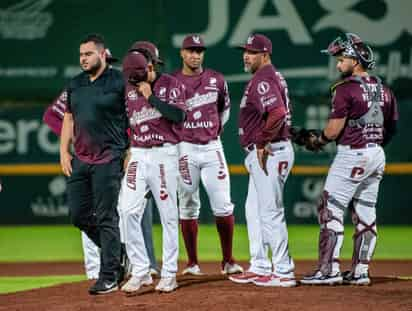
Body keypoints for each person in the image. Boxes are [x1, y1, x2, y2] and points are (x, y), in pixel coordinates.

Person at [44, 48, 159, 279]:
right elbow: (55, 116)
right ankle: (97, 269)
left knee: (120, 213)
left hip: (118, 156)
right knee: (92, 215)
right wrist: (74, 141)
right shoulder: (79, 86)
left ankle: (128, 263)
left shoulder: (120, 83)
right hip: (92, 157)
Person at [299, 33, 398, 286]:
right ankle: (360, 271)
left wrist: (317, 141)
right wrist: (372, 146)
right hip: (376, 153)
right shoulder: (385, 90)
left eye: (341, 58)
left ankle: (328, 270)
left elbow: (332, 131)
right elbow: (392, 127)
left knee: (330, 208)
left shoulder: (344, 89)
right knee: (366, 212)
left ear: (355, 60)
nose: (338, 63)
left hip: (352, 154)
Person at [60, 34, 128, 295]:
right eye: (80, 55)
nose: (83, 59)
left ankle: (109, 275)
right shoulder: (75, 84)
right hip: (81, 159)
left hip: (109, 158)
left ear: (101, 54)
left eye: (88, 54)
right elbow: (68, 117)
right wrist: (63, 151)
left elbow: (133, 115)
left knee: (107, 216)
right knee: (78, 215)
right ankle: (117, 251)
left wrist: (130, 150)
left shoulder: (118, 81)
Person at [171, 34, 243, 276]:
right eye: (190, 50)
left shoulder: (216, 79)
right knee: (188, 205)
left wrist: (214, 132)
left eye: (199, 50)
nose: (195, 55)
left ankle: (228, 260)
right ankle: (192, 263)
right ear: (182, 53)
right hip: (184, 149)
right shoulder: (172, 81)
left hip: (212, 147)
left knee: (223, 205)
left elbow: (225, 110)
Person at [229, 34, 296, 287]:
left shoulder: (264, 78)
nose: (246, 55)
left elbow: (277, 112)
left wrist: (262, 141)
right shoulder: (269, 76)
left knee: (270, 212)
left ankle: (283, 270)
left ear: (265, 54)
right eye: (245, 51)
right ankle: (259, 265)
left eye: (252, 52)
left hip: (270, 150)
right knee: (254, 211)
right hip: (270, 150)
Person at [119, 46, 186, 293]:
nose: (133, 81)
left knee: (168, 215)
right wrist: (127, 149)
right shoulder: (129, 87)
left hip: (164, 153)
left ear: (149, 67)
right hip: (138, 152)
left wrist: (151, 97)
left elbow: (179, 116)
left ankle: (169, 273)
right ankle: (141, 270)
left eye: (137, 76)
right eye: (130, 78)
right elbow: (127, 121)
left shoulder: (171, 84)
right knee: (127, 211)